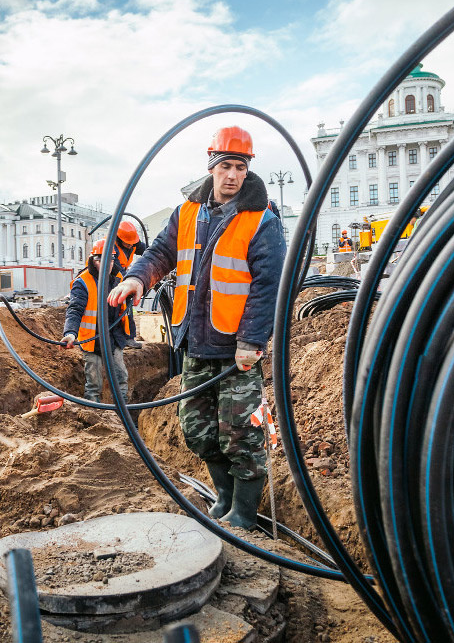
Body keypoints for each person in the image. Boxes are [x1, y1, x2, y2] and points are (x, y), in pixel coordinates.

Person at [108, 124, 286, 529]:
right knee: (197, 430)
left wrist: (252, 340)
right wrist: (137, 278)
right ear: (211, 166)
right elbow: (161, 253)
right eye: (225, 165)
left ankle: (244, 512)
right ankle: (224, 496)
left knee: (240, 434)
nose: (232, 175)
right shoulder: (188, 212)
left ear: (247, 170)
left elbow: (268, 287)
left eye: (240, 167)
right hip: (195, 343)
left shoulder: (262, 220)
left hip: (236, 350)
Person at [61, 239, 132, 409]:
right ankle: (94, 415)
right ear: (94, 260)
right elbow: (75, 310)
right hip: (91, 341)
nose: (108, 264)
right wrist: (70, 333)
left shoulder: (119, 278)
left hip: (113, 339)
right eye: (102, 260)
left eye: (111, 260)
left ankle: (123, 416)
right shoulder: (83, 282)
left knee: (121, 378)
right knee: (94, 383)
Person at [113, 221, 146, 349]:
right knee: (118, 308)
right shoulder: (111, 247)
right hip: (109, 278)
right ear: (119, 238)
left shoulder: (132, 242)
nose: (130, 245)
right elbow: (116, 270)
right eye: (127, 242)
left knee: (127, 309)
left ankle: (129, 337)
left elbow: (150, 252)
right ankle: (123, 338)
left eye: (132, 242)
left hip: (123, 276)